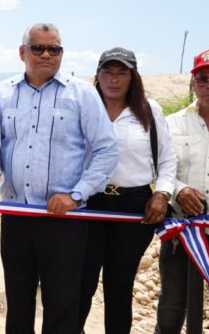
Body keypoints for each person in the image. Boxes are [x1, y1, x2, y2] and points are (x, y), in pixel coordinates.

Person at [0, 23, 119, 334]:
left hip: (64, 220)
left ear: (61, 53)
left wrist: (76, 194)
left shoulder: (81, 94)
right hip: (16, 214)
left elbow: (107, 149)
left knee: (61, 304)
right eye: (38, 48)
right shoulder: (3, 92)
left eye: (53, 49)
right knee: (18, 301)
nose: (46, 54)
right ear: (22, 52)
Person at [77, 47, 177, 333]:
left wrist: (161, 193)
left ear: (134, 77)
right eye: (107, 72)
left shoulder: (149, 109)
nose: (114, 79)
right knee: (82, 281)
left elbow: (168, 158)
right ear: (97, 75)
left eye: (122, 73)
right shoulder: (84, 108)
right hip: (90, 203)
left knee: (119, 285)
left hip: (133, 206)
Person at [156, 48, 209, 334]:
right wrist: (179, 190)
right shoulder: (172, 124)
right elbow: (157, 167)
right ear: (193, 83)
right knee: (171, 309)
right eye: (202, 78)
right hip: (182, 233)